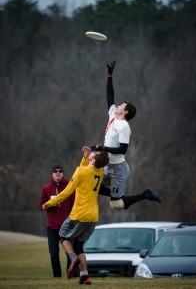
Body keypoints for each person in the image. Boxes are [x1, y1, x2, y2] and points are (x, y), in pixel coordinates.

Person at [91, 60, 162, 210]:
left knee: (116, 204)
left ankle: (145, 194)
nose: (118, 105)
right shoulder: (113, 115)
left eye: (122, 106)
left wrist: (102, 147)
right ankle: (117, 193)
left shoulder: (124, 127)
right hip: (106, 164)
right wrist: (110, 75)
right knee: (91, 182)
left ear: (126, 112)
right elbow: (110, 95)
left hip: (118, 168)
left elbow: (123, 150)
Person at [42, 147, 109, 285]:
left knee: (62, 235)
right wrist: (85, 158)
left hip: (80, 214)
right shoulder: (100, 171)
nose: (92, 152)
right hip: (93, 217)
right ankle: (85, 277)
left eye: (93, 153)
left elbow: (66, 192)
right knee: (79, 245)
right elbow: (86, 171)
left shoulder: (81, 171)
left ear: (94, 159)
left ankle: (72, 258)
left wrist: (49, 203)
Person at [39, 164, 75, 278]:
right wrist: (45, 206)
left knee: (69, 253)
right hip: (52, 227)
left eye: (60, 171)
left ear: (63, 173)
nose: (58, 173)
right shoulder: (46, 188)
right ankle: (57, 277)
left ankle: (71, 276)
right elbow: (41, 204)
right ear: (52, 174)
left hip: (67, 226)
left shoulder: (70, 187)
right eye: (55, 171)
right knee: (54, 253)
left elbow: (74, 205)